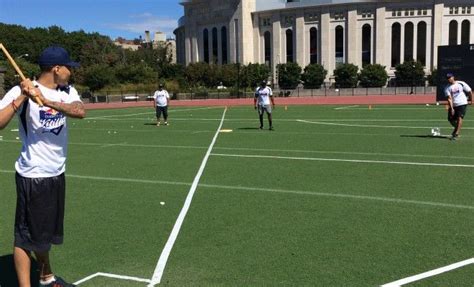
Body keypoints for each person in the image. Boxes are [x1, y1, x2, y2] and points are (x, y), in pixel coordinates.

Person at [0, 46, 86, 287]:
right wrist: (23, 97)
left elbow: (80, 111)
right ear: (56, 69)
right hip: (33, 175)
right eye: (69, 67)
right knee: (25, 237)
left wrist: (47, 101)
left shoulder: (67, 91)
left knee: (44, 233)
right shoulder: (21, 90)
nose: (71, 72)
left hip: (56, 173)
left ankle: (46, 276)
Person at [445, 73, 472, 140]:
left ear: (453, 77)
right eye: (447, 78)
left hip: (462, 103)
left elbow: (470, 91)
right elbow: (449, 98)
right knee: (450, 119)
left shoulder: (461, 83)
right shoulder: (447, 88)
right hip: (454, 105)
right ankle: (457, 127)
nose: (449, 79)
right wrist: (451, 108)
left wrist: (472, 100)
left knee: (459, 118)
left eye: (450, 77)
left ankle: (456, 133)